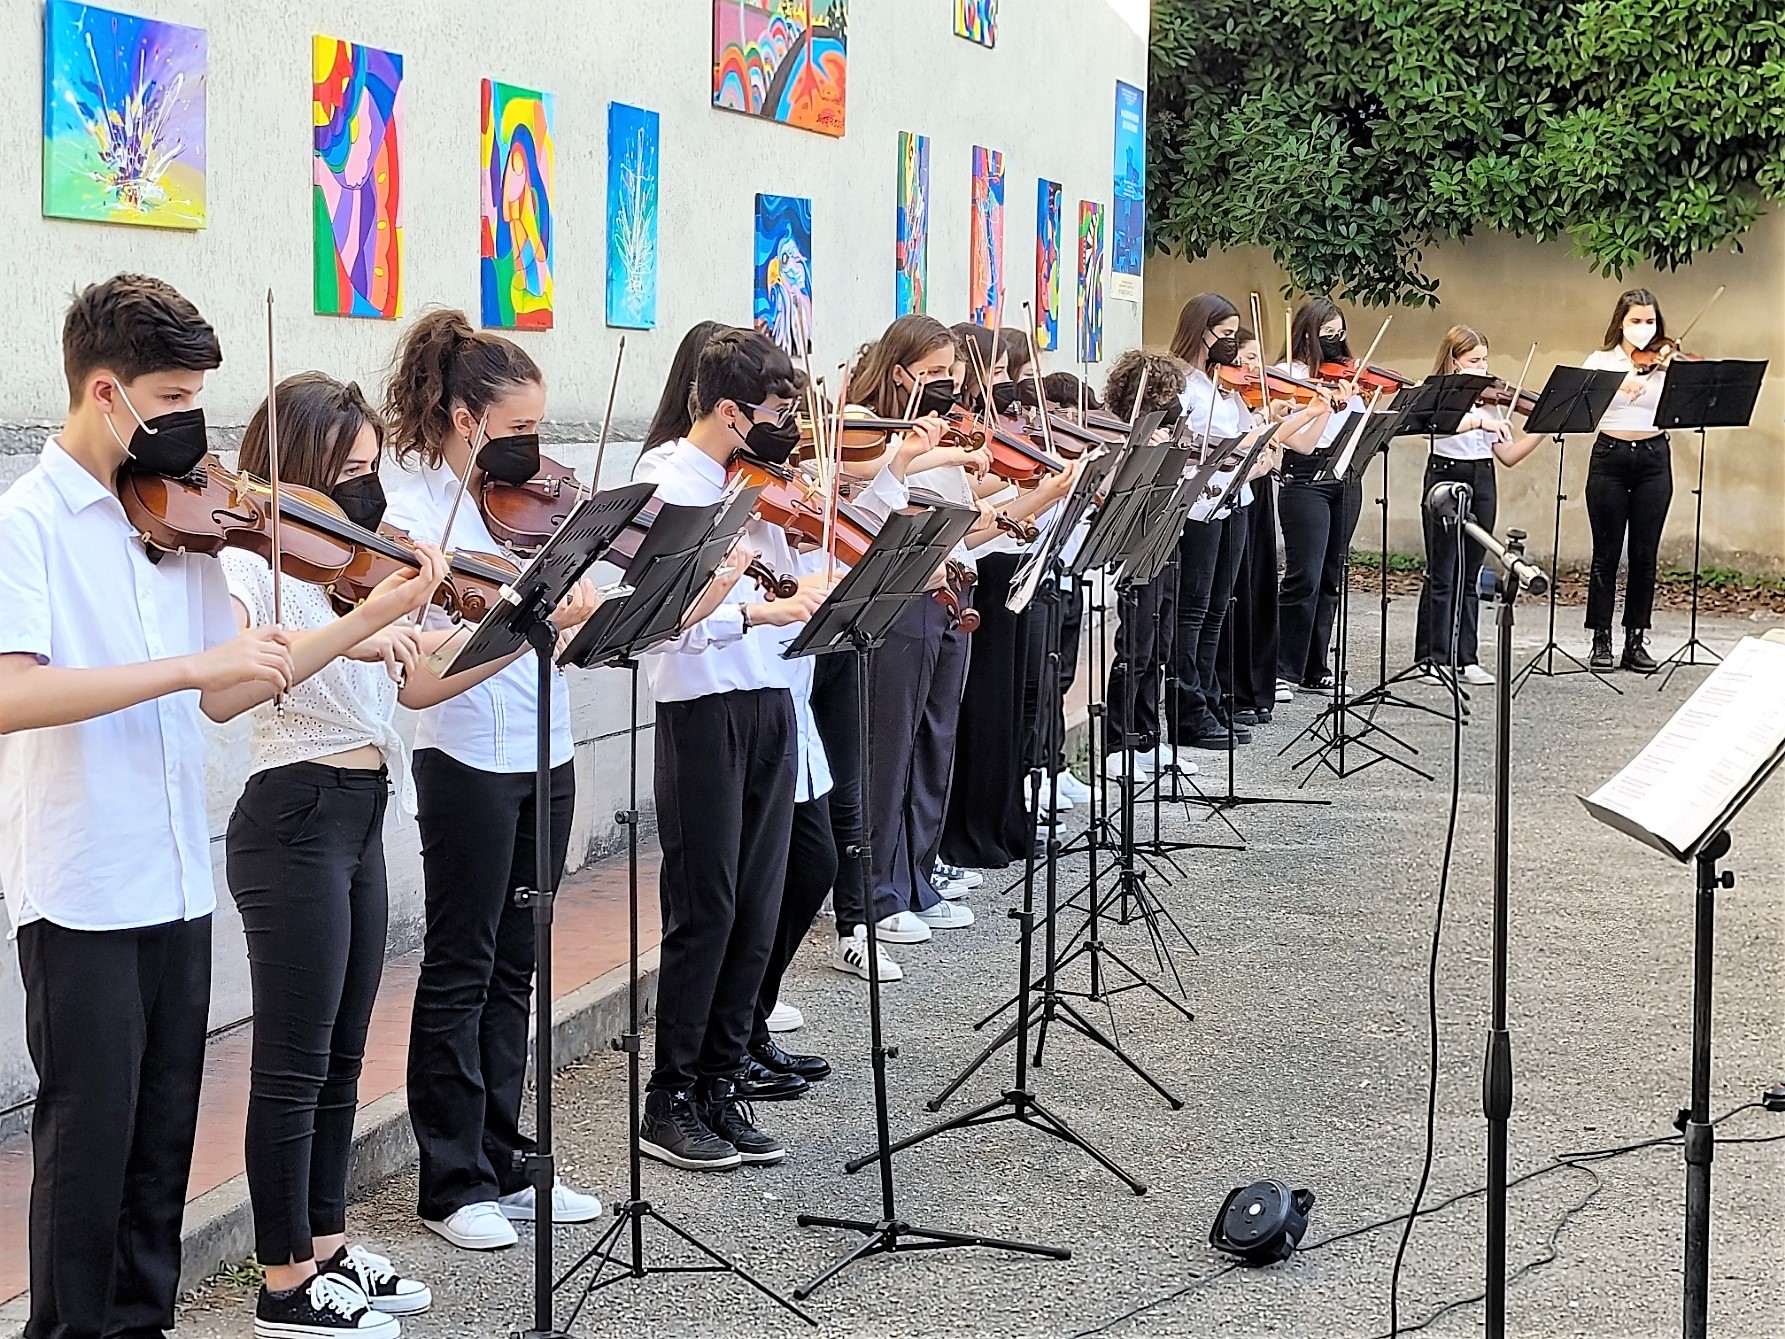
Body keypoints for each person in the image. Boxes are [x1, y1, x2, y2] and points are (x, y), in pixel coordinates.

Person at [0, 275, 307, 1339]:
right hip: (82, 884)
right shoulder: (28, 521)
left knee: (161, 1148)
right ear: (104, 392)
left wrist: (365, 613)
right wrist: (186, 666)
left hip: (177, 875)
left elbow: (226, 690)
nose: (194, 425)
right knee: (87, 1152)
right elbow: (12, 690)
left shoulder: (177, 520)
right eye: (174, 397)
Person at [224, 374, 508, 1331]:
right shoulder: (249, 561)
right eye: (349, 472)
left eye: (372, 471)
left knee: (344, 1056)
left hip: (359, 806)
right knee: (294, 1062)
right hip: (293, 810)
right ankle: (282, 1281)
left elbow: (418, 686)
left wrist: (508, 623)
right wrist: (370, 622)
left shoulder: (346, 571)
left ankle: (329, 1248)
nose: (366, 493)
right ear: (299, 470)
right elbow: (250, 683)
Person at [383, 310, 603, 1251]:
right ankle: (450, 1177)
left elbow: (568, 622)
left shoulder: (532, 504)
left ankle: (507, 1154)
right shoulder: (411, 500)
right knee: (463, 960)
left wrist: (582, 600)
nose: (536, 455)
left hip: (545, 745)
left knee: (519, 959)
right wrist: (524, 607)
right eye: (517, 432)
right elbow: (422, 639)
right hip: (465, 749)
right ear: (466, 420)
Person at [631, 328, 833, 1169]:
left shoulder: (756, 483)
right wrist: (749, 612)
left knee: (757, 904)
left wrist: (815, 522)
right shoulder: (664, 483)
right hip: (704, 708)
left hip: (771, 700)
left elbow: (800, 568)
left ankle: (721, 1082)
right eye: (777, 411)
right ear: (727, 410)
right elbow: (657, 630)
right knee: (704, 909)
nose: (787, 427)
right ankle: (669, 1096)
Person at [846, 315, 1002, 936]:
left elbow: (960, 507)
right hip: (901, 593)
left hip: (951, 587)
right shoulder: (865, 422)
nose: (944, 385)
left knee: (934, 738)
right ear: (897, 369)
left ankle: (916, 873)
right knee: (890, 747)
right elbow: (870, 478)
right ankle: (876, 891)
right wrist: (945, 448)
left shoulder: (939, 433)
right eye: (932, 372)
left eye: (950, 373)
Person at [1169, 296, 1325, 750]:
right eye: (1226, 334)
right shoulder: (1186, 385)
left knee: (1218, 607)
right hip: (1199, 506)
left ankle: (1211, 698)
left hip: (1236, 499)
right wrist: (1300, 415)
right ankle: (1187, 707)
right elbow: (1228, 442)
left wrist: (1270, 418)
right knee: (1194, 610)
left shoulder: (1228, 387)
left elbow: (1249, 439)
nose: (1233, 344)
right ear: (1202, 332)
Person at [1412, 328, 1544, 682]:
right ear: (1453, 361)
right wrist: (1479, 420)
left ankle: (1465, 657)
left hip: (1483, 478)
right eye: (1474, 360)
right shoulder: (1438, 394)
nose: (1483, 367)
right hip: (1445, 475)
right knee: (1443, 570)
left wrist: (1543, 427)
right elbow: (1436, 427)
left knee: (1472, 571)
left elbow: (1508, 455)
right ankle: (1432, 657)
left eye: (1485, 359)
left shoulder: (1492, 402)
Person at [1100, 348, 1191, 775]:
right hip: (1134, 547)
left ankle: (1149, 737)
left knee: (1161, 645)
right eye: (1163, 398)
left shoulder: (1168, 436)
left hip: (1165, 541)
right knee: (1134, 647)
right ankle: (1118, 740)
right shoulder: (1121, 440)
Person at [1580, 289, 1677, 672]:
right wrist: (1618, 383)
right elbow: (1584, 401)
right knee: (1605, 554)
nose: (1643, 329)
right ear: (1620, 321)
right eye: (1636, 321)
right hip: (1610, 457)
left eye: (1649, 321)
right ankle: (1600, 638)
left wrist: (1674, 374)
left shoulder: (1665, 360)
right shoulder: (1600, 360)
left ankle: (1635, 639)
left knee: (1644, 555)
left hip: (1654, 458)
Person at [1275, 298, 1364, 693]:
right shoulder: (1287, 375)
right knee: (1304, 575)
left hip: (1345, 476)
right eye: (1326, 334)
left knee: (1331, 575)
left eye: (1340, 333)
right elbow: (1297, 436)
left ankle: (1316, 666)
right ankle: (1283, 667)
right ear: (1307, 334)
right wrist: (1322, 403)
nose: (1335, 341)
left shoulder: (1347, 375)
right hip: (1304, 478)